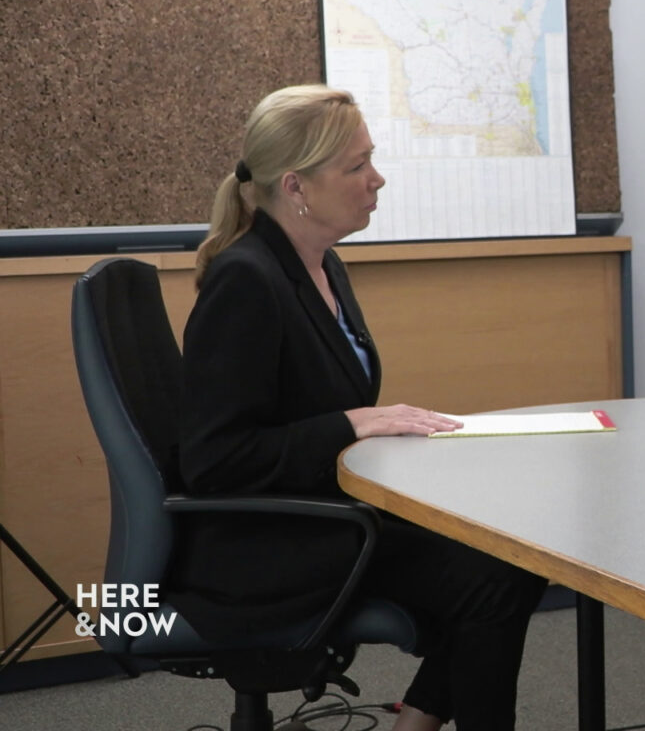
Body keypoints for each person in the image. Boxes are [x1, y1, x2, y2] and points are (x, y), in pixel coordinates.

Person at [174, 84, 548, 730]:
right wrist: (349, 425)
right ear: (296, 187)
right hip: (272, 543)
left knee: (514, 553)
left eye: (370, 160)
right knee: (494, 578)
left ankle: (417, 723)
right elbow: (215, 460)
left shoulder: (321, 264)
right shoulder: (247, 280)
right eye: (356, 166)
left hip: (332, 514)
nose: (377, 180)